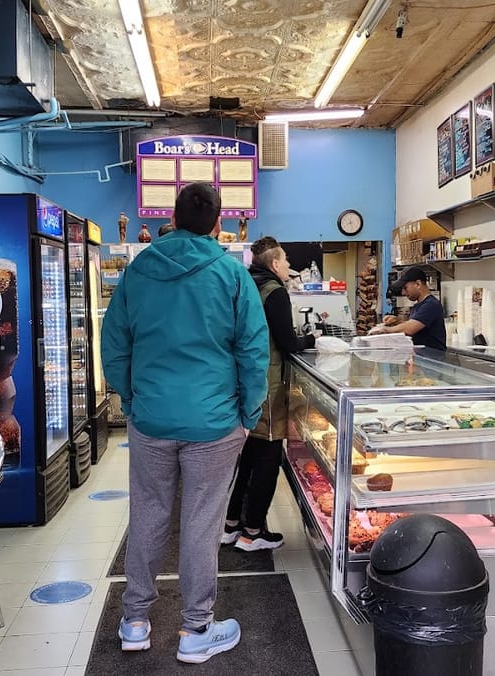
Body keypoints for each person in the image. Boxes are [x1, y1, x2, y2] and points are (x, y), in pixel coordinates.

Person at [102, 182, 269, 664]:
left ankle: (135, 620)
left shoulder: (137, 272)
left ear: (171, 219)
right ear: (219, 224)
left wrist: (131, 399)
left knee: (148, 514)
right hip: (215, 422)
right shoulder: (231, 275)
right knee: (201, 523)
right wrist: (247, 414)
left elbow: (115, 343)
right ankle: (196, 629)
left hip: (152, 417)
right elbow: (252, 353)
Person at [224, 237, 316, 551]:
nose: (289, 266)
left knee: (248, 455)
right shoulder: (275, 292)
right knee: (268, 456)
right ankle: (252, 532)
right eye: (286, 261)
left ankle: (231, 523)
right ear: (275, 264)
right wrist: (313, 339)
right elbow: (288, 343)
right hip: (268, 386)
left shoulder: (245, 285)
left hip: (244, 382)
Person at [368, 266, 447, 351]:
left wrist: (384, 330)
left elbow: (410, 329)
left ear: (418, 284)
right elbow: (417, 326)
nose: (403, 292)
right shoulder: (418, 305)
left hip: (433, 359)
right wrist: (398, 321)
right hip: (422, 357)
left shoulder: (431, 305)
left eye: (405, 288)